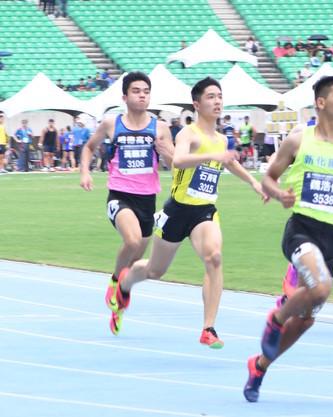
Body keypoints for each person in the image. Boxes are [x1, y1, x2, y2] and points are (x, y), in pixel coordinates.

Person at [243, 75, 333, 402]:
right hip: (301, 230)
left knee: (306, 320)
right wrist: (279, 194)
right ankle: (276, 318)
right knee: (320, 287)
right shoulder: (298, 140)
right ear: (321, 103)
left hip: (332, 238)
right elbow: (268, 177)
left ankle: (260, 365)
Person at [109, 77, 268, 345]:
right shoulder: (187, 134)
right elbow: (180, 160)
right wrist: (211, 157)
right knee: (154, 271)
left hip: (203, 212)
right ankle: (124, 284)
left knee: (214, 257)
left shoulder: (220, 138)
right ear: (197, 104)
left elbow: (228, 163)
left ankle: (209, 329)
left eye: (219, 96)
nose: (217, 101)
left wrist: (253, 181)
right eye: (210, 97)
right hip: (176, 211)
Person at [80, 71, 175, 335]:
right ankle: (114, 282)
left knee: (134, 263)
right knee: (132, 241)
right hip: (120, 196)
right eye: (136, 90)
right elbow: (89, 147)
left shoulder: (161, 128)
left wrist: (165, 152)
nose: (142, 95)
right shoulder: (111, 124)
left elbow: (175, 163)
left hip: (148, 200)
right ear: (124, 96)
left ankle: (120, 302)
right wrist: (85, 172)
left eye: (146, 91)